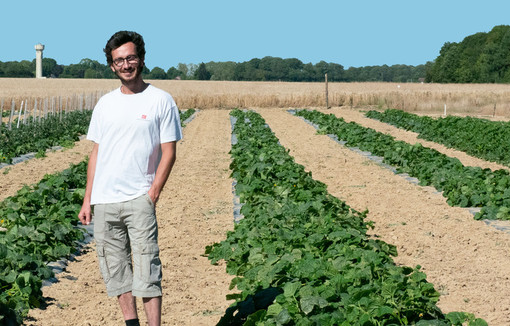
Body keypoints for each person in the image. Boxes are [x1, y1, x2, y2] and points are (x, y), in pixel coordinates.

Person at [78, 30, 182, 326]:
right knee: (116, 269)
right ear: (112, 66)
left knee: (147, 268)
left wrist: (153, 194)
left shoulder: (161, 100)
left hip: (139, 199)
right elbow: (96, 153)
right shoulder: (105, 104)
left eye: (130, 58)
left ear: (142, 59)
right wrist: (88, 199)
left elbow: (169, 151)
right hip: (105, 201)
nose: (125, 65)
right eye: (119, 60)